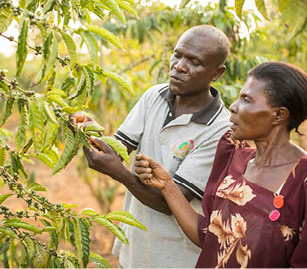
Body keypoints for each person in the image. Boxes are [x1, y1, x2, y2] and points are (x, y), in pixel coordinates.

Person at [74, 25, 232, 268]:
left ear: (217, 73)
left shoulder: (219, 130)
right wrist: (91, 133)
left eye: (194, 62)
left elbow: (168, 202)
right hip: (136, 247)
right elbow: (119, 148)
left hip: (176, 257)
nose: (179, 66)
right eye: (177, 55)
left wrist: (120, 173)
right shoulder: (154, 96)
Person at [135, 61, 307, 268]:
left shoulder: (304, 179)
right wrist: (167, 185)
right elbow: (210, 236)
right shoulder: (235, 158)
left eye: (246, 99)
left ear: (279, 115)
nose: (233, 107)